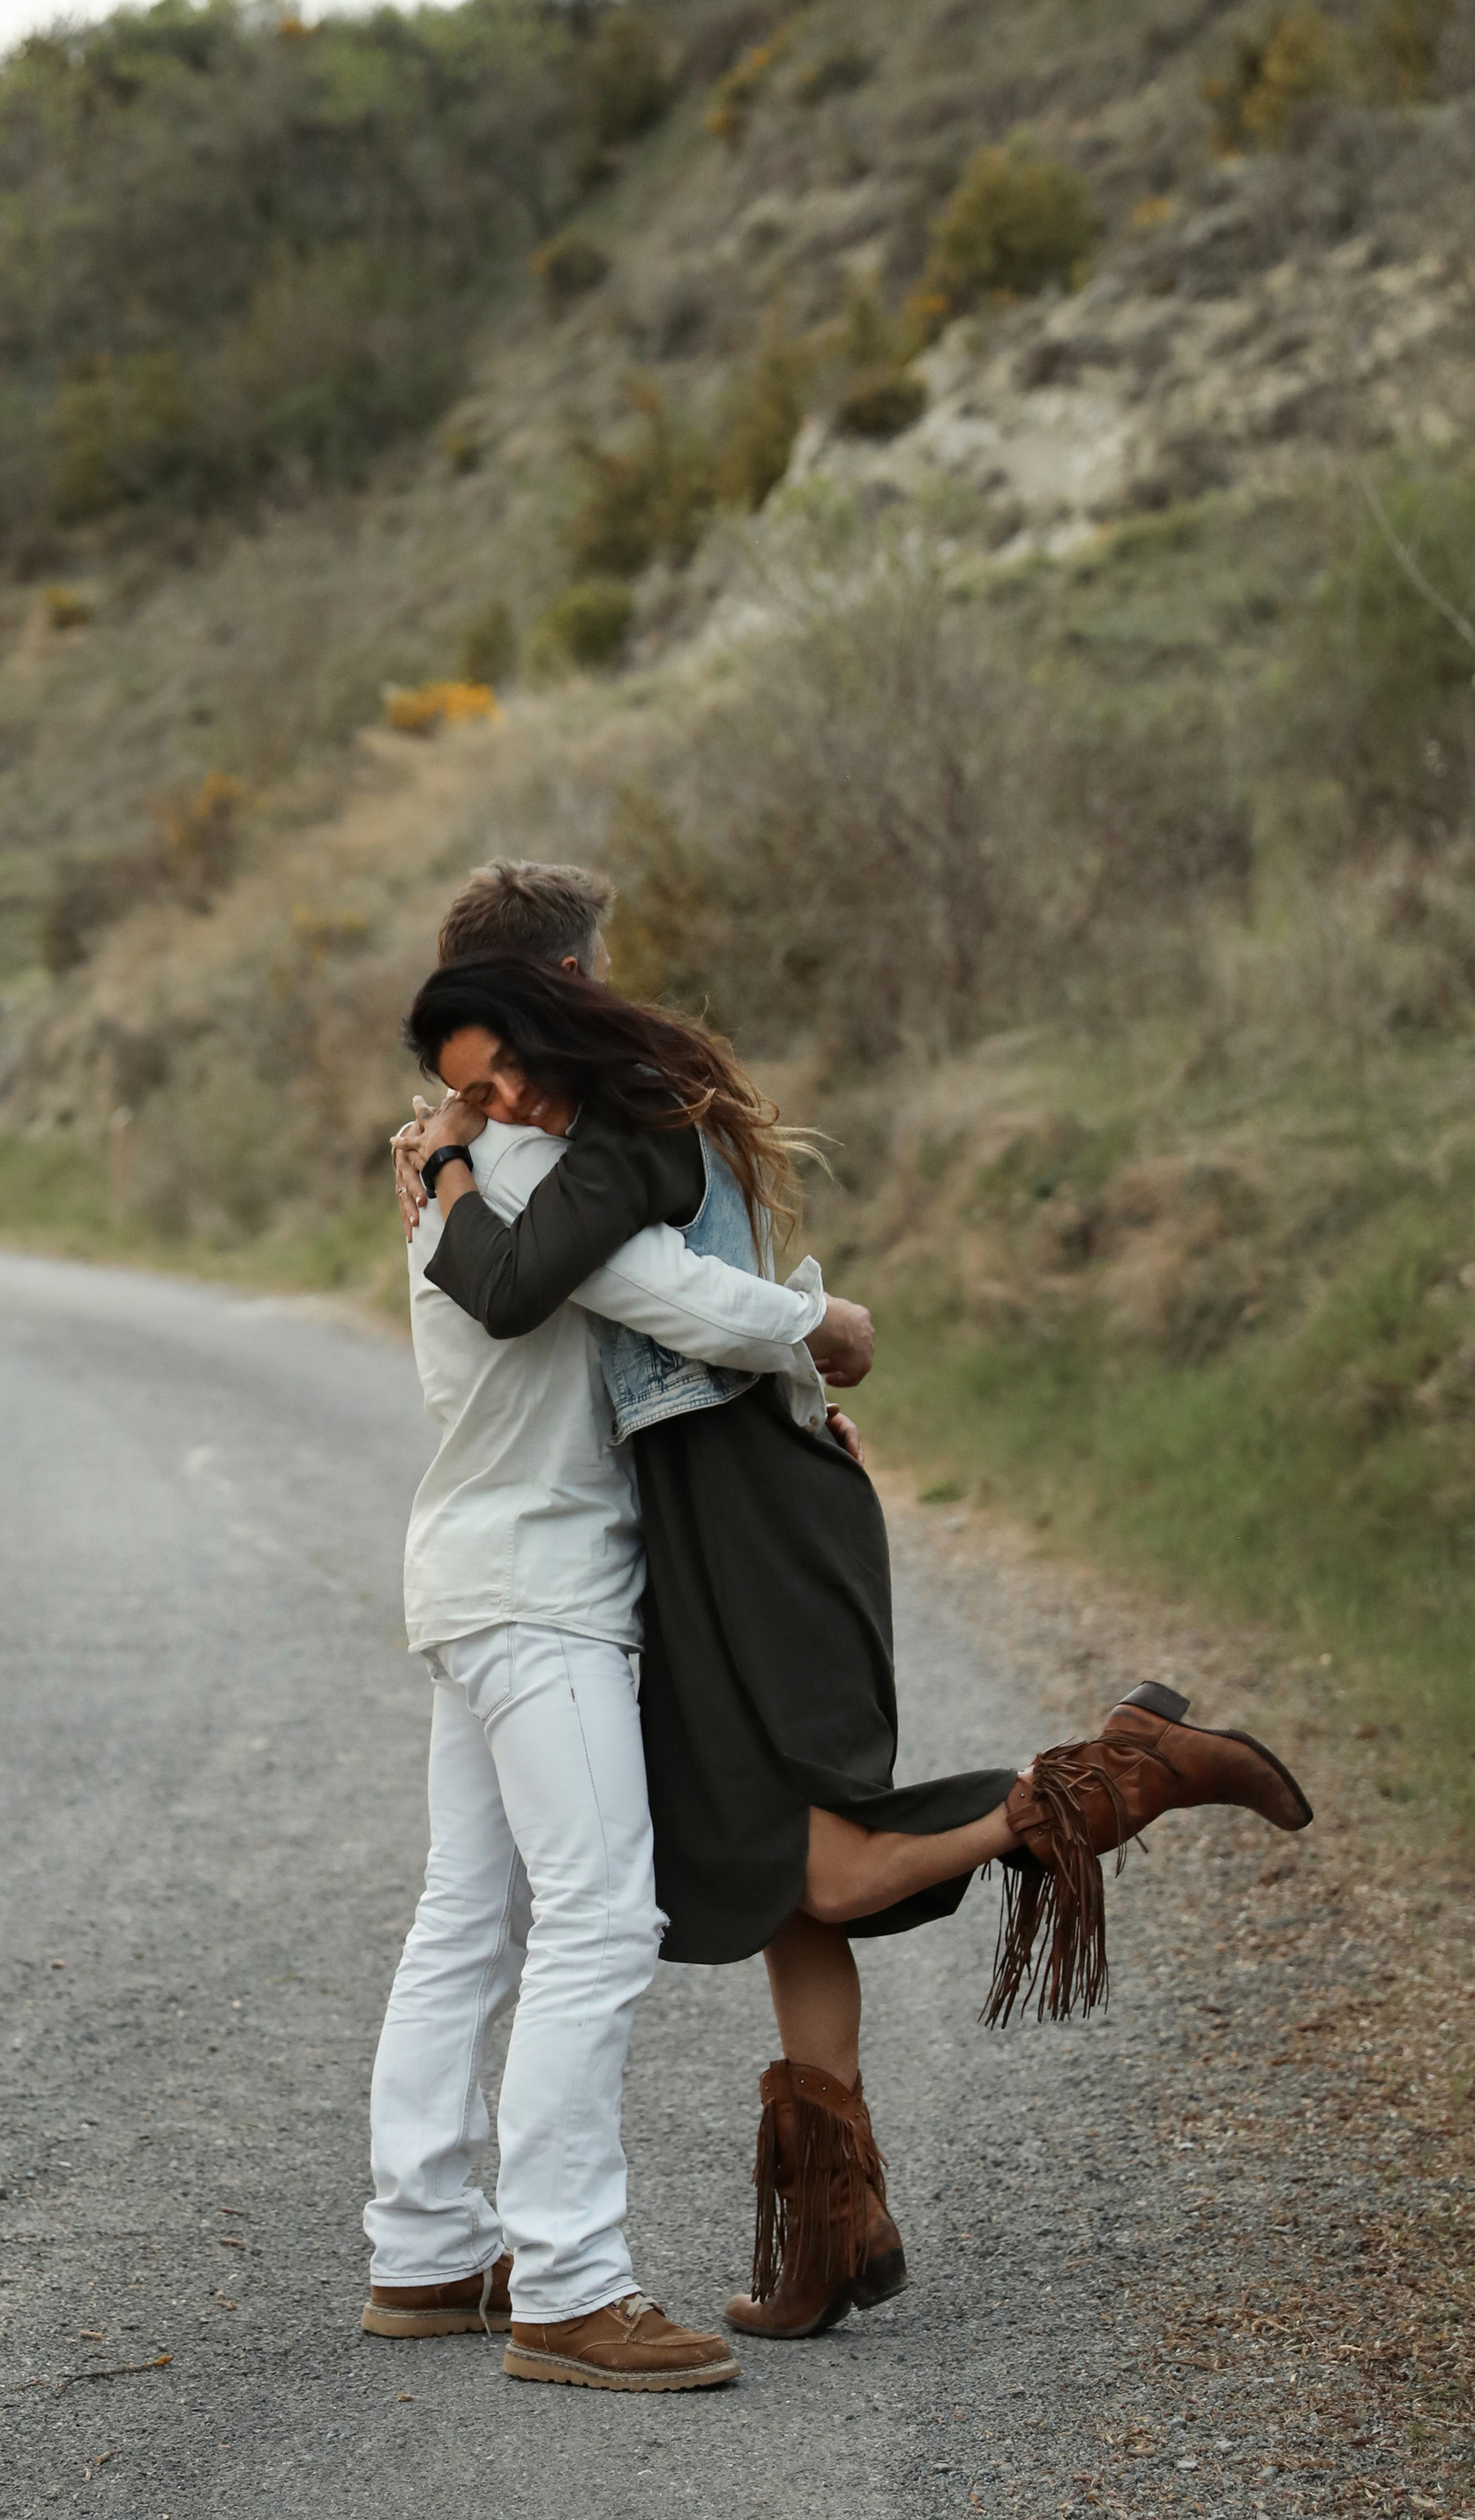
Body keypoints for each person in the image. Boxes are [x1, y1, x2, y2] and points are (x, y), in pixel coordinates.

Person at [398, 943, 1314, 2341]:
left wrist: (448, 1170)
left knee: (820, 1855)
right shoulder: (600, 1135)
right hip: (711, 1523)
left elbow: (574, 1290)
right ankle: (835, 2230)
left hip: (754, 1520)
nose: (497, 1106)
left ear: (555, 1023)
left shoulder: (629, 1137)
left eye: (502, 1077)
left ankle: (1110, 1776)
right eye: (470, 1095)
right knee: (779, 1874)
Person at [363, 891, 882, 2392]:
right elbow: (665, 1295)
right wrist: (818, 1322)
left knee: (471, 1915)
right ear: (564, 985)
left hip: (469, 1572)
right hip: (540, 1589)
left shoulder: (458, 1164)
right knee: (598, 1916)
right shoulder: (522, 1167)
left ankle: (423, 2246)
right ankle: (573, 2287)